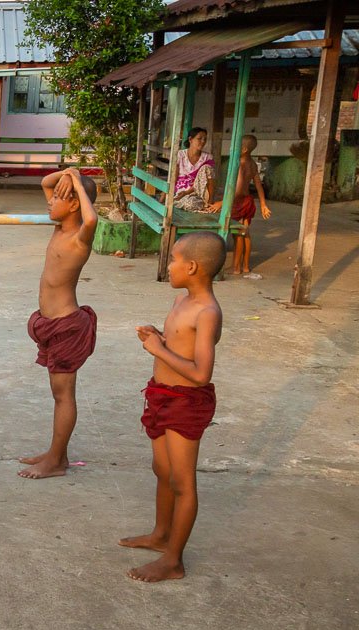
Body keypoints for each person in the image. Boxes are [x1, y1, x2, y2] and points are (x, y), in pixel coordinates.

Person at [120, 232, 224, 582]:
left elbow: (201, 373)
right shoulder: (181, 301)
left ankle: (174, 561)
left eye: (174, 260)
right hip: (161, 394)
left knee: (182, 482)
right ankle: (161, 535)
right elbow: (181, 346)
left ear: (192, 267)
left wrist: (158, 350)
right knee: (162, 471)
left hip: (185, 402)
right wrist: (160, 338)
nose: (168, 266)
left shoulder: (207, 312)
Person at [18, 168, 99, 480]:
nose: (49, 201)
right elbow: (45, 182)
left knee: (63, 394)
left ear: (75, 204)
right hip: (49, 324)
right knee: (58, 393)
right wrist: (66, 173)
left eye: (58, 198)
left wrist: (76, 181)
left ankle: (54, 461)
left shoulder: (79, 238)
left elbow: (91, 220)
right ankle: (57, 453)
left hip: (67, 326)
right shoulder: (59, 228)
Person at [208, 134, 271, 275]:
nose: (232, 148)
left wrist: (222, 203)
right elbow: (258, 185)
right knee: (246, 234)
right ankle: (246, 266)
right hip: (248, 201)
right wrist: (263, 204)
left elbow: (237, 190)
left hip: (239, 202)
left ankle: (236, 267)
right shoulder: (252, 164)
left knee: (238, 235)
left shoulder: (239, 165)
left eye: (235, 146)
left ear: (243, 149)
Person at [172, 127, 216, 214]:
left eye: (205, 139)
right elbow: (174, 177)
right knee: (190, 203)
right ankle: (200, 205)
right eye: (199, 139)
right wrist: (166, 196)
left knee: (207, 168)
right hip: (181, 193)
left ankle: (209, 203)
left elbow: (208, 180)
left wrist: (187, 192)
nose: (203, 141)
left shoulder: (208, 157)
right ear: (190, 139)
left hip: (200, 192)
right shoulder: (180, 155)